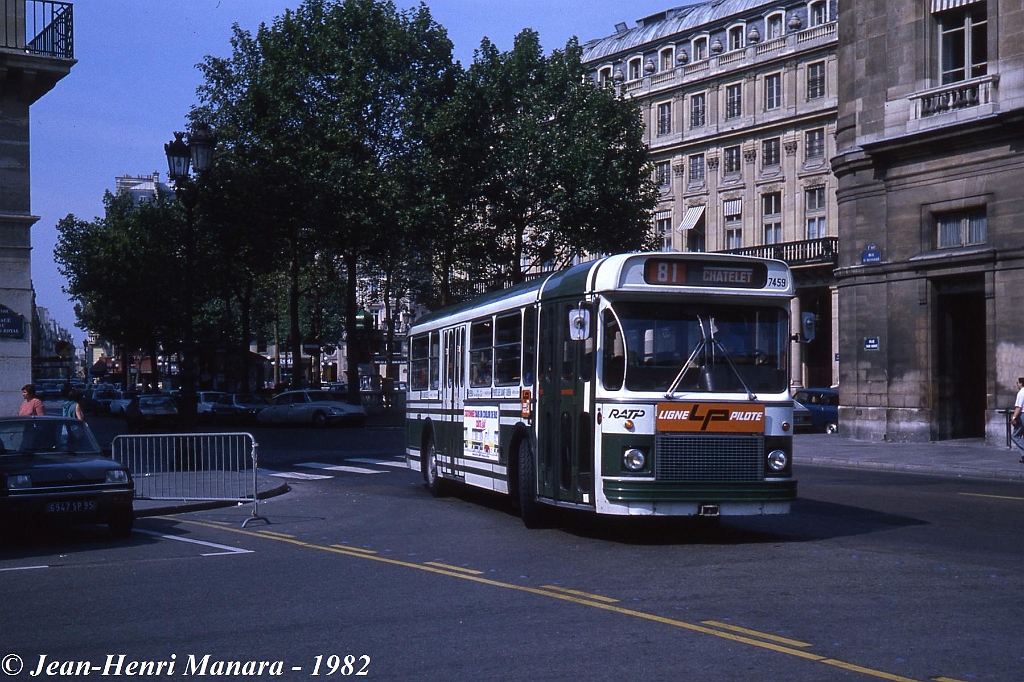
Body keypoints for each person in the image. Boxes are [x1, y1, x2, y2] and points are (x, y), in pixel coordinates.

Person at [1012, 376, 1024, 461]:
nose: (1017, 384)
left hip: (1022, 415)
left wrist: (1014, 417)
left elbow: (1019, 407)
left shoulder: (1021, 393)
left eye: (1017, 382)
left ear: (1021, 383)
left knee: (1015, 435)